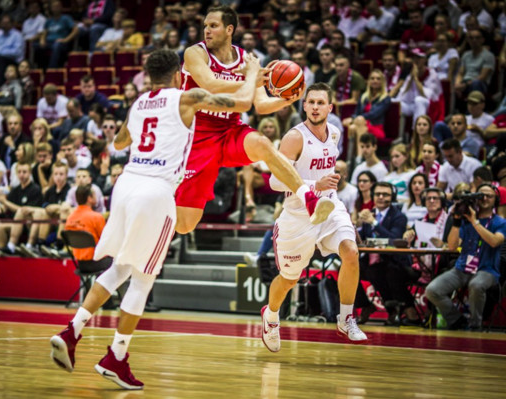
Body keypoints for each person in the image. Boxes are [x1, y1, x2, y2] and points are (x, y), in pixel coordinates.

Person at [49, 48, 262, 389]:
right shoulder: (187, 97)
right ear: (180, 72)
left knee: (121, 266)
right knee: (144, 279)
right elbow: (243, 105)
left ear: (148, 75)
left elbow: (118, 142)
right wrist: (251, 73)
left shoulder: (137, 104)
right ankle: (116, 357)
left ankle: (73, 331)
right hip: (155, 191)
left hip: (126, 185)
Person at [176, 5, 320, 235]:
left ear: (229, 29)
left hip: (228, 131)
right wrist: (252, 79)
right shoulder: (196, 53)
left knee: (262, 143)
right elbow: (210, 84)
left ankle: (309, 199)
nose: (207, 31)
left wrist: (287, 99)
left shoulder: (246, 59)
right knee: (185, 225)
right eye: (205, 26)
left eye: (213, 26)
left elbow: (261, 105)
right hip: (195, 137)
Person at [261, 82, 367, 351]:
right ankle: (271, 316)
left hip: (329, 207)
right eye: (311, 102)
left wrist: (325, 186)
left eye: (321, 103)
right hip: (298, 216)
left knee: (351, 252)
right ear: (304, 105)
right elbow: (274, 181)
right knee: (289, 279)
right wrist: (313, 185)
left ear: (330, 107)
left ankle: (346, 317)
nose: (316, 107)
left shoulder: (334, 133)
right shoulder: (294, 138)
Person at [426, 184, 506, 331]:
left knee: (476, 285)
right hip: (462, 268)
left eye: (489, 196)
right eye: (481, 195)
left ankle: (476, 325)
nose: (485, 198)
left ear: (496, 200)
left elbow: (495, 242)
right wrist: (456, 221)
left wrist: (475, 222)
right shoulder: (466, 220)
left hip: (487, 270)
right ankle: (456, 320)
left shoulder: (500, 222)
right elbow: (452, 246)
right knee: (432, 290)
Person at [357, 181, 419, 326]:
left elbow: (393, 241)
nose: (381, 197)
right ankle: (365, 305)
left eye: (385, 194)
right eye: (378, 194)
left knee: (383, 271)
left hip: (393, 260)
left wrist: (375, 223)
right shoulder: (368, 215)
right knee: (347, 269)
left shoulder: (399, 217)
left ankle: (394, 309)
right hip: (372, 259)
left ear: (392, 197)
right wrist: (357, 226)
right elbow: (364, 240)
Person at [0, 162, 43, 256]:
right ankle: (2, 253)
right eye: (19, 172)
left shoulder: (35, 189)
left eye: (24, 172)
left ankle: (12, 246)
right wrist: (0, 207)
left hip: (29, 224)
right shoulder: (15, 190)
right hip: (15, 223)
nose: (21, 174)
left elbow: (24, 210)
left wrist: (5, 202)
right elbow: (8, 207)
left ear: (30, 173)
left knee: (20, 212)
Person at [64, 184, 106, 262]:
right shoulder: (97, 217)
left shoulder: (70, 218)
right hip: (97, 261)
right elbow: (105, 241)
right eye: (94, 194)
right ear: (89, 198)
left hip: (79, 263)